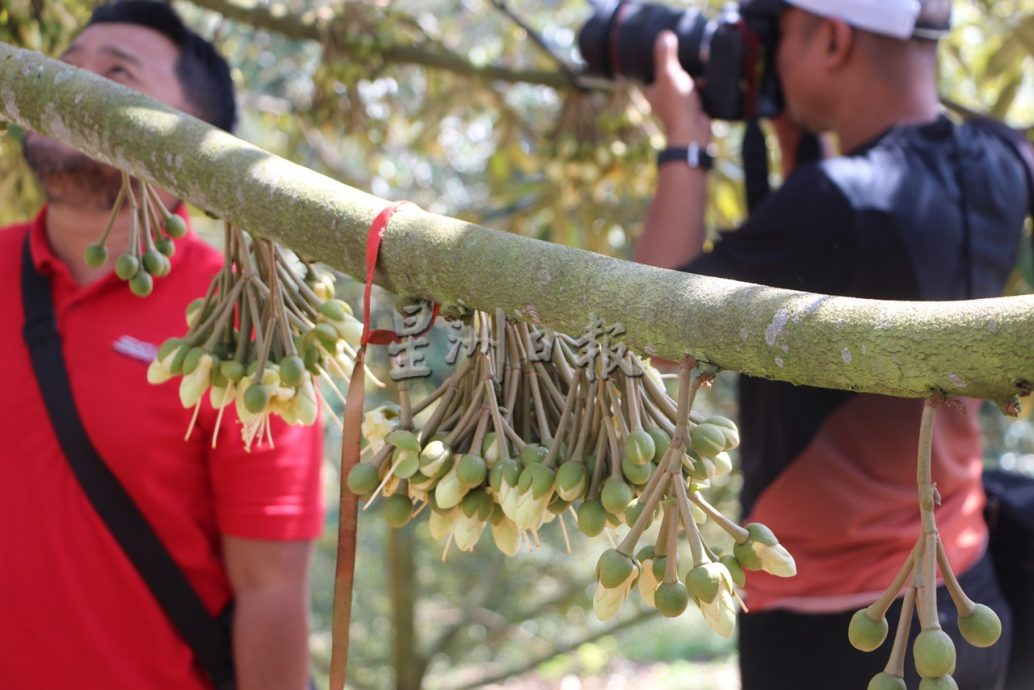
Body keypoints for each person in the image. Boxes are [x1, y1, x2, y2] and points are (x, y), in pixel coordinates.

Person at [635, 1, 1031, 688]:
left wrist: (685, 143)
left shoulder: (834, 203)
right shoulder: (1000, 159)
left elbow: (653, 334)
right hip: (969, 590)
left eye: (778, 35)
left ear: (833, 39)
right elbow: (852, 243)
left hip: (841, 625)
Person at [0, 2, 323, 689]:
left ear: (193, 142)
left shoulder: (249, 327)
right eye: (66, 66)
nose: (70, 88)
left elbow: (271, 589)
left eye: (116, 75)